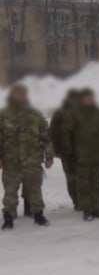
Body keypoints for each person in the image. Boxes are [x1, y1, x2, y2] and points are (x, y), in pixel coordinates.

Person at [0, 85, 54, 229]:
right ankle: (8, 216)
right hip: (12, 161)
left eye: (24, 94)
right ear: (12, 95)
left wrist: (49, 156)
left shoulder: (35, 114)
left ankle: (38, 214)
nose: (22, 96)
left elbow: (46, 137)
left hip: (32, 160)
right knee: (10, 190)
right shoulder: (3, 114)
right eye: (19, 94)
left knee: (35, 189)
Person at [61, 89, 99, 221]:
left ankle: (97, 208)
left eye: (91, 97)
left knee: (98, 184)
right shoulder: (74, 114)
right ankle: (87, 210)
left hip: (98, 155)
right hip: (81, 156)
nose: (89, 100)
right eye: (86, 98)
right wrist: (68, 152)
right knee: (83, 185)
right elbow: (66, 133)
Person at [50, 89, 80, 210]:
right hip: (66, 152)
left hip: (83, 151)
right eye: (72, 99)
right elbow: (53, 133)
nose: (74, 101)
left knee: (84, 178)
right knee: (72, 179)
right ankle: (77, 202)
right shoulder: (60, 113)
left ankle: (86, 201)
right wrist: (57, 150)